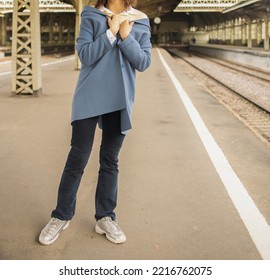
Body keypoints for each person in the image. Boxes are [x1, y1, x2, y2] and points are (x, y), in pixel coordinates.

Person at [38, 0, 151, 245]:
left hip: (120, 98)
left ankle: (105, 217)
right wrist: (110, 32)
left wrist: (125, 36)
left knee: (110, 160)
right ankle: (61, 216)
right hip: (89, 95)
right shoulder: (91, 15)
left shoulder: (140, 20)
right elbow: (86, 55)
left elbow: (143, 62)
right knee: (77, 157)